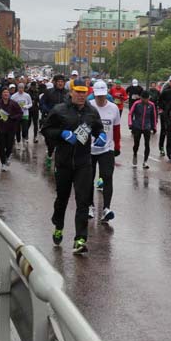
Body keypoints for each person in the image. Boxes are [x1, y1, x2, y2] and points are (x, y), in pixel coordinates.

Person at [41, 78, 103, 254]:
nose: (81, 95)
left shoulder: (91, 111)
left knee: (83, 201)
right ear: (71, 92)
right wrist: (62, 133)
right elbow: (45, 129)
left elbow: (98, 128)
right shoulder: (59, 110)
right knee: (62, 198)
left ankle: (80, 239)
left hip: (84, 163)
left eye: (84, 92)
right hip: (64, 163)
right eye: (78, 91)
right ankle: (58, 225)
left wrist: (101, 136)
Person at [88, 80, 121, 222]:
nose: (100, 98)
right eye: (98, 96)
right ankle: (90, 205)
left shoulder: (113, 108)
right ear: (94, 94)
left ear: (106, 93)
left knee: (107, 177)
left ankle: (106, 208)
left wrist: (117, 147)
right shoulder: (89, 107)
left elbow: (116, 129)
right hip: (89, 149)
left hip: (107, 148)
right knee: (88, 178)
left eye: (103, 95)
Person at [40, 75, 69, 168]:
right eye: (58, 81)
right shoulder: (49, 92)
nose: (60, 83)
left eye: (62, 81)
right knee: (50, 141)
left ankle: (59, 163)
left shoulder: (67, 93)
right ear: (55, 82)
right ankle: (49, 155)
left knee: (62, 142)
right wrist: (48, 111)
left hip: (63, 121)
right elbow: (42, 103)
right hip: (51, 120)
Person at [0, 86, 23, 171]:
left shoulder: (14, 103)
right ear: (1, 94)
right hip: (0, 128)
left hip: (11, 128)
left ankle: (7, 156)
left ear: (9, 94)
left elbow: (20, 113)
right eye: (4, 92)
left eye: (7, 92)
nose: (6, 94)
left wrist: (12, 117)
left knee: (9, 146)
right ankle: (3, 163)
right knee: (2, 146)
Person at [128, 90, 157, 169]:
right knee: (136, 144)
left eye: (147, 99)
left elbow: (154, 116)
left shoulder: (151, 105)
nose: (146, 100)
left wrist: (154, 127)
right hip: (137, 126)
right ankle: (135, 154)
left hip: (147, 127)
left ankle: (145, 161)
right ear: (141, 98)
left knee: (147, 144)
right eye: (144, 99)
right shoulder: (136, 103)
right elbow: (130, 113)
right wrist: (130, 124)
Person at [11, 83, 33, 147]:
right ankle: (18, 142)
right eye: (19, 88)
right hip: (17, 115)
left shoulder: (27, 95)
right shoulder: (14, 96)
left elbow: (31, 104)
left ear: (24, 88)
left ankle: (23, 139)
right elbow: (11, 105)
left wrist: (27, 106)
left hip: (25, 114)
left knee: (25, 129)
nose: (21, 89)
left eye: (22, 88)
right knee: (17, 130)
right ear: (17, 88)